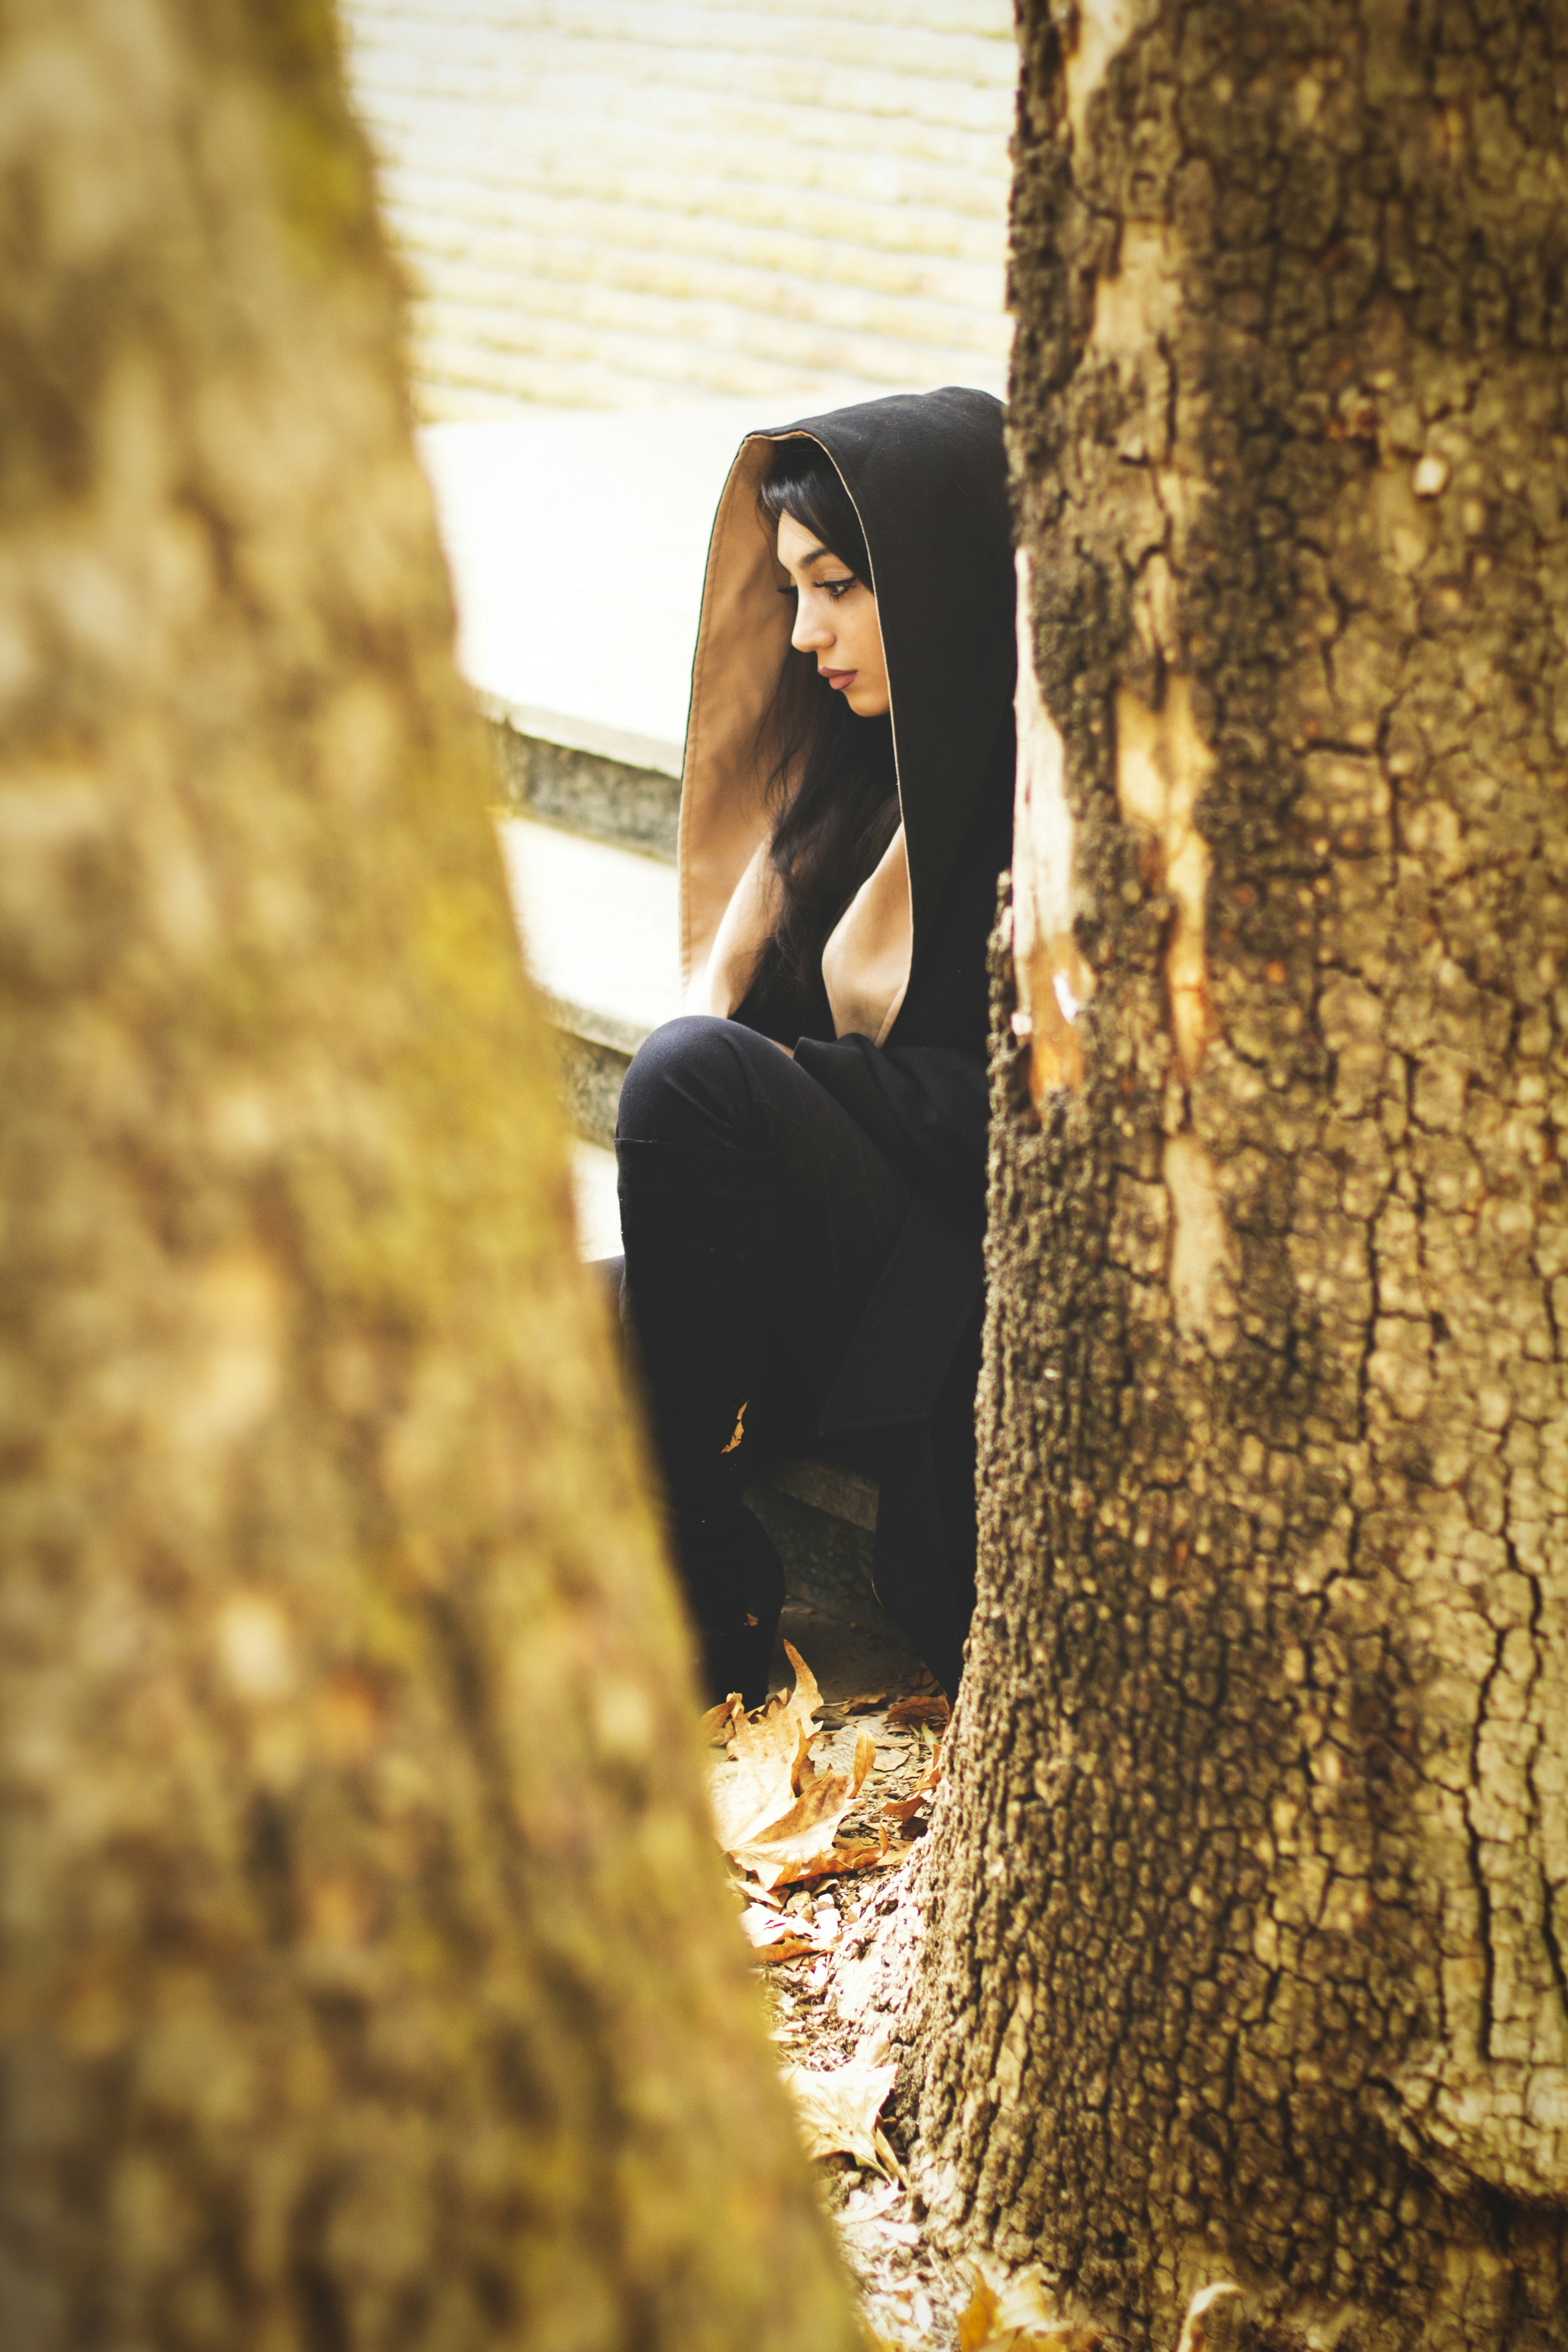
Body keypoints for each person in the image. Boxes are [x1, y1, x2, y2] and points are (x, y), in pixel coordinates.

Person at [609, 387, 1015, 1706]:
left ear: (941, 579)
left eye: (837, 586)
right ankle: (691, 1576)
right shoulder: (846, 775)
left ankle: (700, 1574)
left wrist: (811, 1080)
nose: (803, 634)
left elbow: (1029, 1116)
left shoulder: (1043, 807)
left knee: (688, 1074)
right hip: (815, 1255)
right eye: (791, 592)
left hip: (939, 1269)